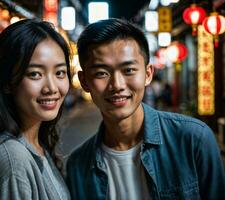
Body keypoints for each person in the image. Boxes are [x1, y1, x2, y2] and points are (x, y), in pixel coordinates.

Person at [66, 18, 225, 199]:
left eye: (128, 70)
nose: (117, 85)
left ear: (148, 74)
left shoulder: (193, 139)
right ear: (85, 81)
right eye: (101, 73)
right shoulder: (78, 166)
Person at [0, 19, 71, 200]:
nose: (52, 88)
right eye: (35, 74)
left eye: (59, 73)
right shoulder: (12, 160)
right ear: (7, 82)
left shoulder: (36, 145)